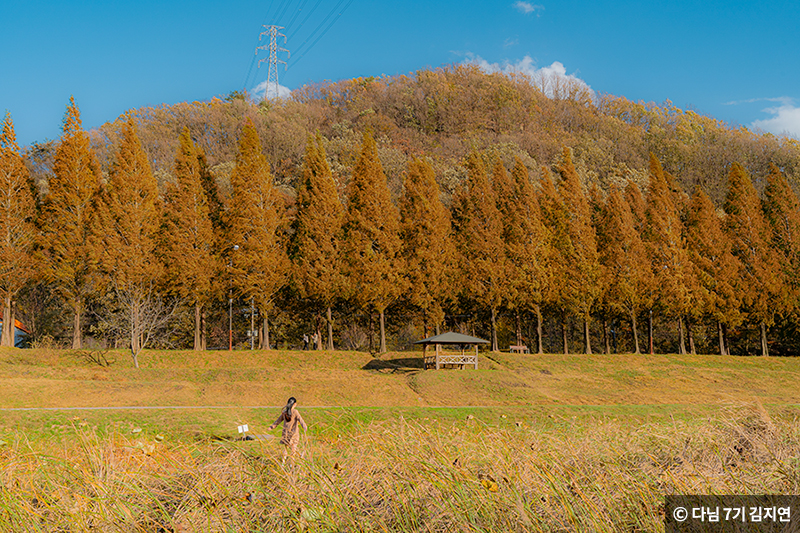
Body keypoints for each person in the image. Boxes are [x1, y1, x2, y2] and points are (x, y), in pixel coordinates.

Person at [269, 397, 307, 462]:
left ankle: (283, 463)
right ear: (294, 404)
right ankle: (292, 464)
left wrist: (272, 427)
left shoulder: (284, 412)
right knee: (293, 449)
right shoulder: (295, 412)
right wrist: (304, 426)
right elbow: (300, 420)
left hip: (286, 433)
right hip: (294, 434)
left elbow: (278, 420)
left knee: (285, 449)